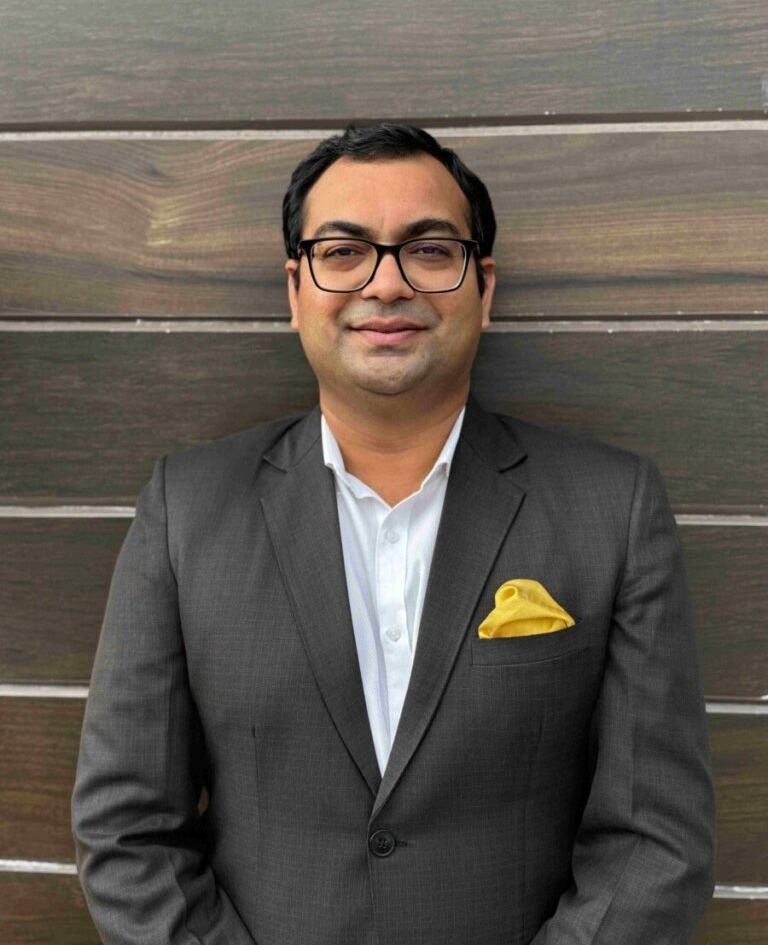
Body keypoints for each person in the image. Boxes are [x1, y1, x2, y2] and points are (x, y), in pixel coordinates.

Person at [72, 122, 715, 945]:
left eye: (429, 250)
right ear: (295, 289)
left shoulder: (612, 507)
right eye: (343, 253)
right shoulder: (187, 509)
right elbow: (127, 830)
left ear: (483, 287)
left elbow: (656, 839)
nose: (386, 284)